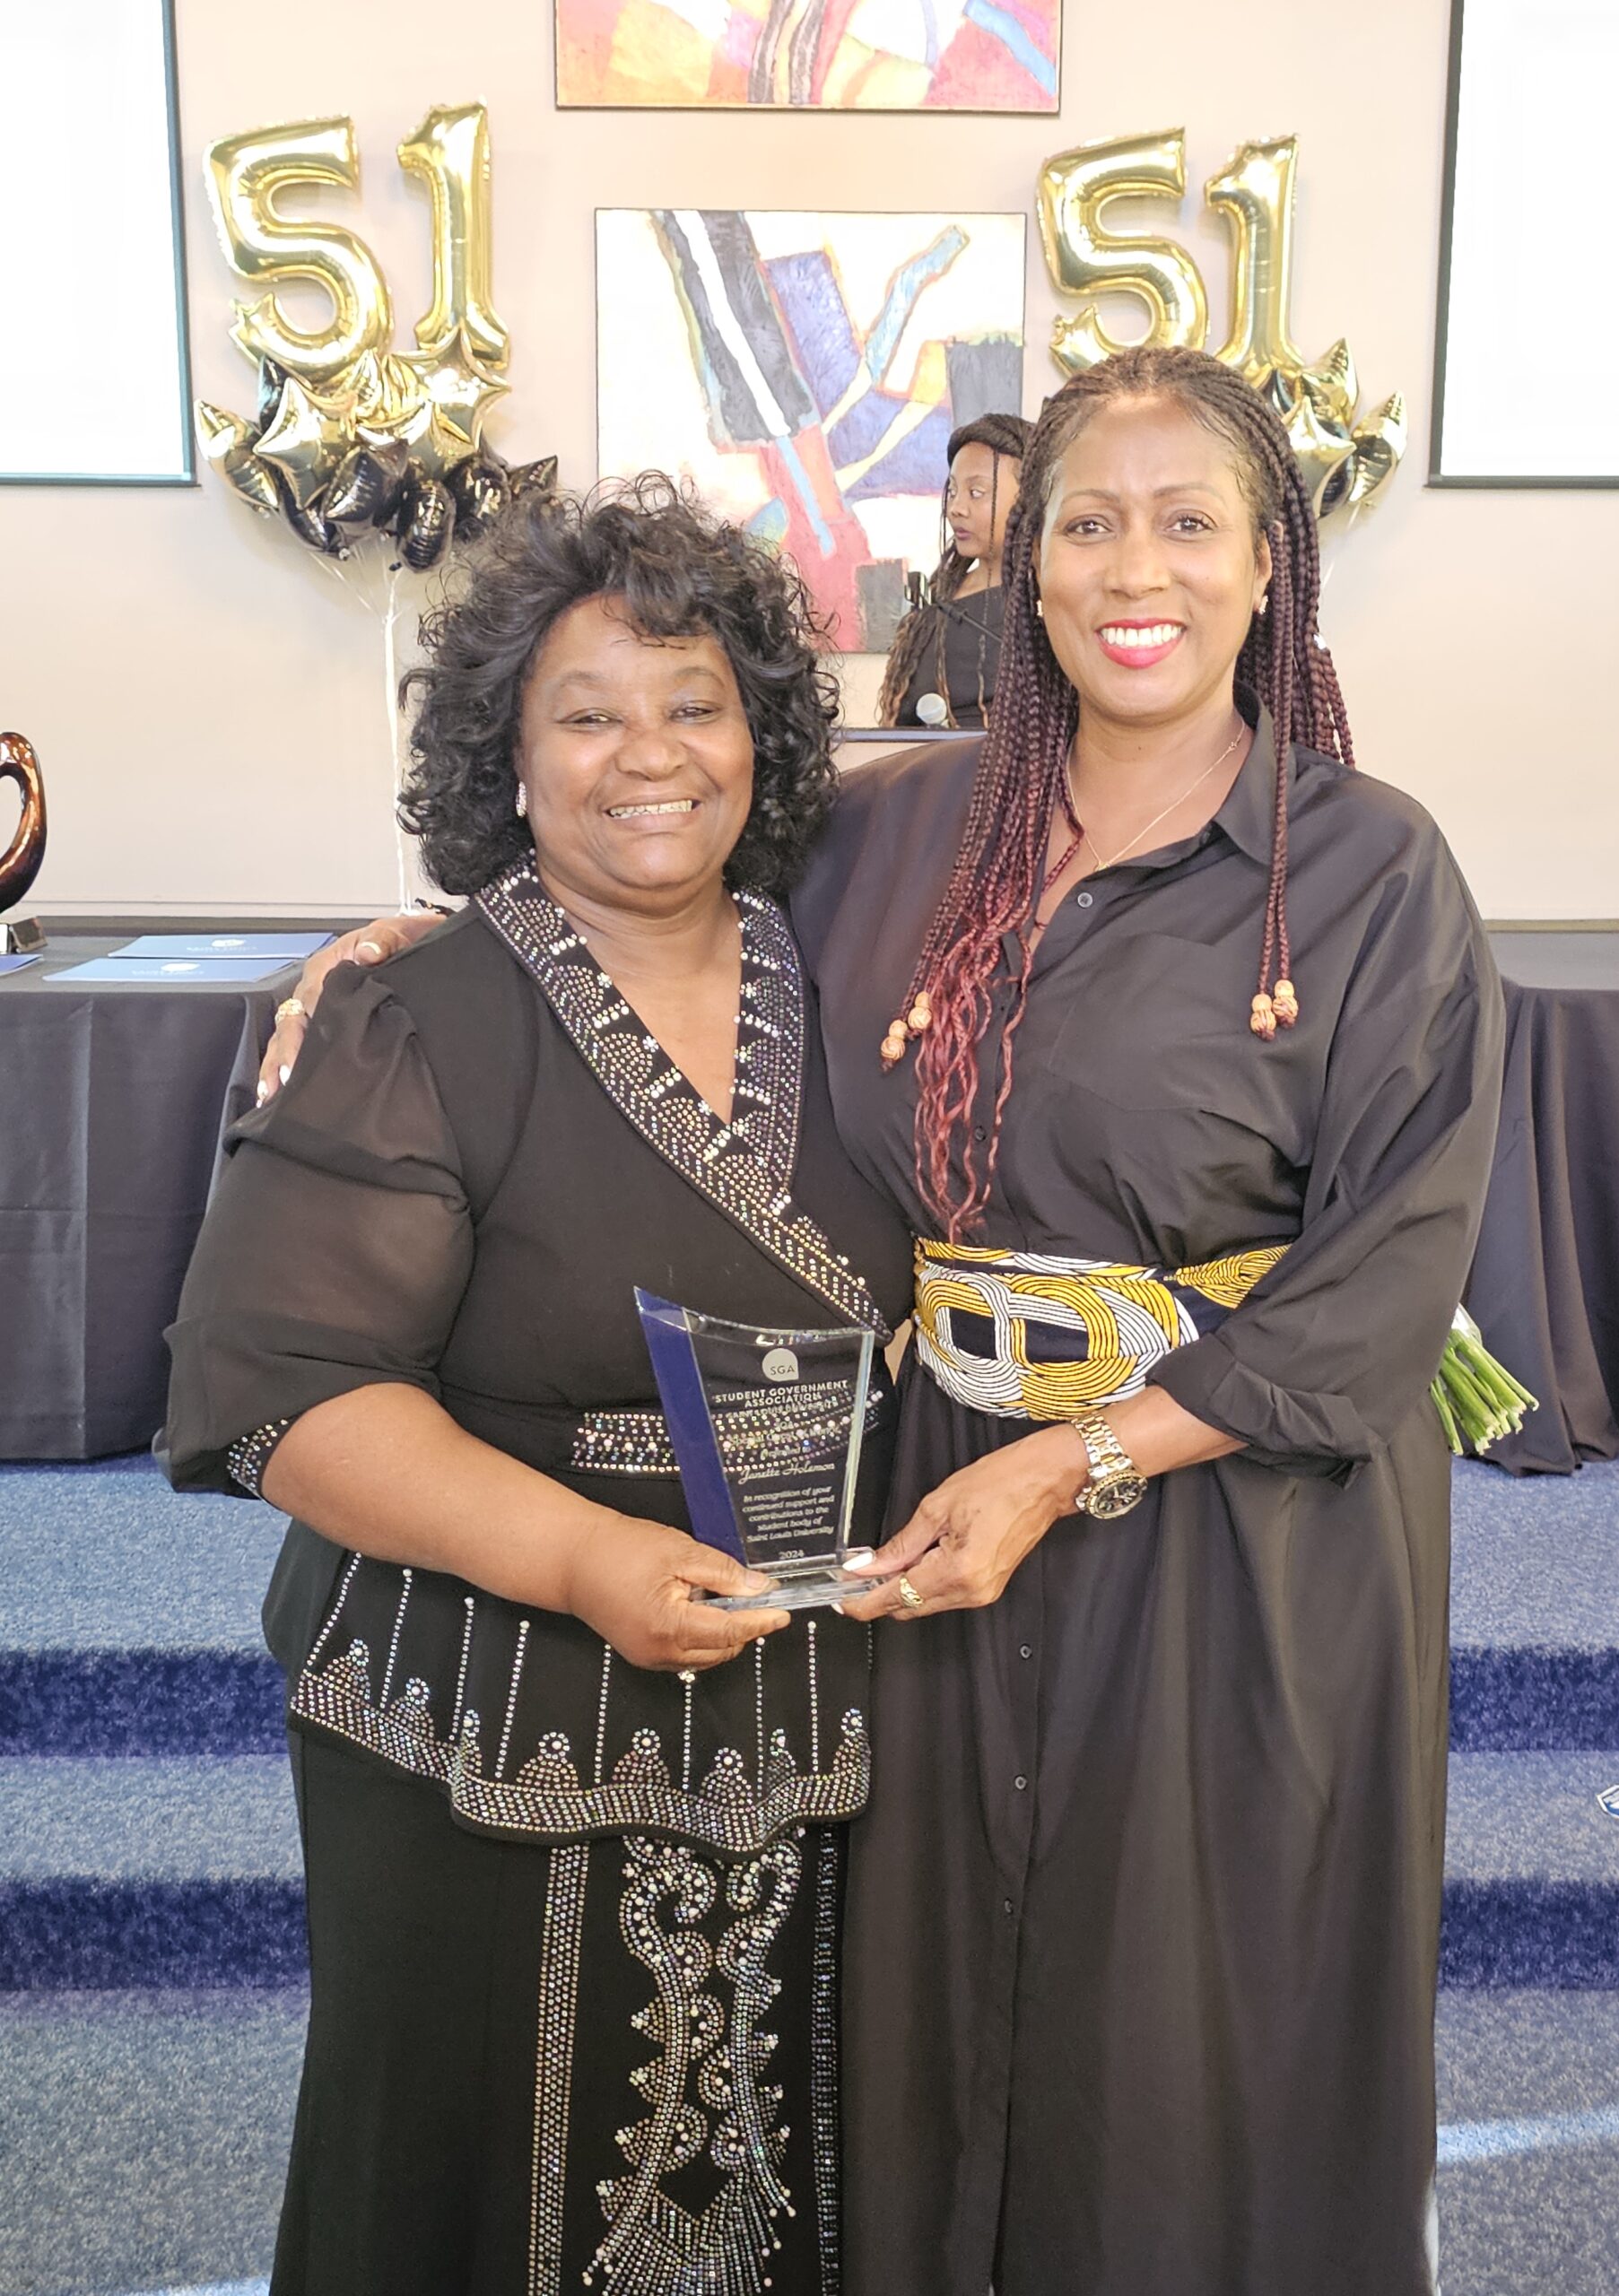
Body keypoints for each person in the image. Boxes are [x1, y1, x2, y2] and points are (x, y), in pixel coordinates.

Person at [259, 344, 1507, 2296]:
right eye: (1089, 523)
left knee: (1182, 2030)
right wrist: (420, 938)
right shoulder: (903, 829)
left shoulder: (1368, 871)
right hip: (933, 1502)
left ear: (1273, 563)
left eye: (1189, 522)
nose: (1135, 568)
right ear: (1023, 561)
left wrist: (1073, 1465)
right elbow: (648, 846)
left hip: (1230, 1523)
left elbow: (1389, 1279)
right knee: (920, 2021)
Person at [163, 477, 910, 2296]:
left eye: (696, 703)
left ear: (764, 735)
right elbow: (288, 1394)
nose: (648, 754)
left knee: (793, 2168)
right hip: (489, 1701)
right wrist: (583, 1557)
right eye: (587, 715)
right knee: (478, 2178)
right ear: (505, 755)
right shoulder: (410, 1016)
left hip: (823, 1694)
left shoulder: (859, 977)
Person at [877, 413, 1028, 731]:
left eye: (976, 493)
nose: (956, 508)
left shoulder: (1047, 606)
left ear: (1028, 500)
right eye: (954, 491)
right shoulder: (939, 599)